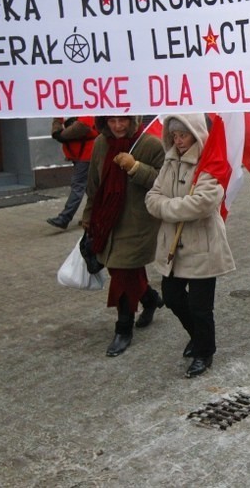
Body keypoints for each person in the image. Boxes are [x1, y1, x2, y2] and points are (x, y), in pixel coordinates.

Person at [145, 114, 236, 377]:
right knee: (172, 297)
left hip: (203, 246)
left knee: (200, 306)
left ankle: (204, 352)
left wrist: (167, 208)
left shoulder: (210, 162)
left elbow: (205, 203)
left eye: (183, 135)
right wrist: (173, 207)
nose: (178, 140)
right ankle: (197, 336)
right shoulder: (170, 160)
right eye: (174, 135)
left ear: (195, 134)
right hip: (173, 246)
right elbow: (152, 197)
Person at [82, 116, 165, 357]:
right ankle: (150, 299)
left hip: (137, 222)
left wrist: (134, 167)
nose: (117, 127)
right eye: (112, 121)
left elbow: (163, 183)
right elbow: (94, 182)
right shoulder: (101, 143)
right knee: (122, 270)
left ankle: (123, 328)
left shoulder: (150, 144)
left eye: (123, 121)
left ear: (133, 120)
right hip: (107, 219)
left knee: (122, 272)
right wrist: (88, 215)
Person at [47, 116, 98, 230]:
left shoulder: (86, 116)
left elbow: (62, 134)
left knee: (78, 186)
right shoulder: (74, 114)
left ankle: (65, 218)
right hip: (80, 156)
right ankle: (94, 216)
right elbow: (59, 134)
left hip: (85, 157)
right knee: (89, 187)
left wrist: (59, 125)